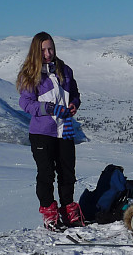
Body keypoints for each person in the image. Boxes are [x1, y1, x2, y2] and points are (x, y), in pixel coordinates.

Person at [17, 32, 84, 230]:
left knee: (67, 173)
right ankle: (49, 212)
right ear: (35, 51)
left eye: (50, 48)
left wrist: (73, 104)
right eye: (43, 50)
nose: (47, 53)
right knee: (46, 174)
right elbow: (26, 104)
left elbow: (75, 94)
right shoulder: (30, 74)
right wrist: (47, 108)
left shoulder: (65, 70)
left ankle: (68, 210)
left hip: (65, 129)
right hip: (42, 132)